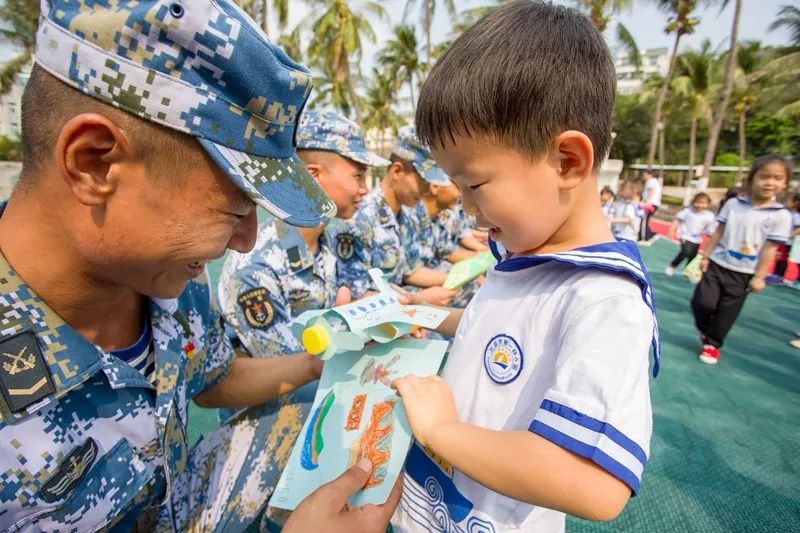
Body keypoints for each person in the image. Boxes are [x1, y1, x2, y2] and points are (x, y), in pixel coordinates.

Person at [0, 2, 399, 531]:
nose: (247, 240)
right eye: (234, 209)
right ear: (94, 162)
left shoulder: (166, 281)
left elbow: (214, 377)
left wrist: (312, 365)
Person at [389, 2, 660, 531]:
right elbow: (500, 329)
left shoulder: (603, 301)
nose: (465, 206)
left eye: (475, 185)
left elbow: (594, 484)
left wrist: (442, 431)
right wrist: (424, 314)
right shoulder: (527, 257)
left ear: (567, 162)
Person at [332, 126, 456, 305]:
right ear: (397, 171)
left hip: (399, 308)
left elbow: (410, 271)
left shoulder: (406, 216)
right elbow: (354, 296)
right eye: (422, 181)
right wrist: (418, 300)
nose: (427, 190)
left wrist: (454, 278)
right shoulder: (359, 222)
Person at [692, 155, 793, 364]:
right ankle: (705, 330)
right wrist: (705, 255)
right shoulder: (733, 204)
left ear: (784, 183)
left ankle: (712, 344)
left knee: (727, 313)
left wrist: (759, 276)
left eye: (777, 178)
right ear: (752, 178)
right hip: (718, 263)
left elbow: (770, 249)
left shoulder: (781, 215)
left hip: (744, 273)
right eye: (764, 177)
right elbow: (718, 232)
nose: (770, 182)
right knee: (702, 303)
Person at [665, 192, 715, 276]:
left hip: (697, 239)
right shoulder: (688, 211)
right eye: (698, 202)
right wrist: (671, 230)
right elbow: (677, 219)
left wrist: (709, 242)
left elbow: (710, 230)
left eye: (703, 203)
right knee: (686, 252)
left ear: (708, 204)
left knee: (693, 256)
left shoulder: (709, 216)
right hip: (685, 235)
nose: (700, 205)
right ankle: (672, 265)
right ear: (693, 202)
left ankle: (688, 270)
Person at [640, 170, 662, 240]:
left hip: (650, 204)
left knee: (643, 220)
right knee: (645, 220)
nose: (644, 176)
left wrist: (647, 203)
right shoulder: (655, 181)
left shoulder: (651, 181)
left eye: (645, 175)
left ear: (650, 174)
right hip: (653, 203)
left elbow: (651, 191)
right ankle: (648, 234)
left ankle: (644, 236)